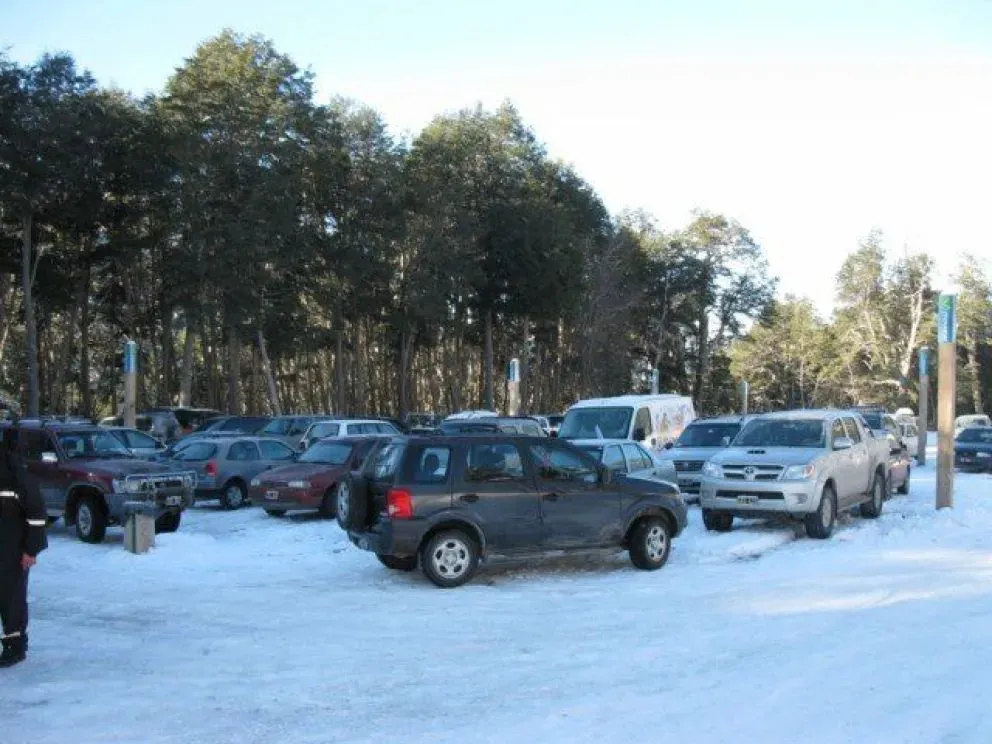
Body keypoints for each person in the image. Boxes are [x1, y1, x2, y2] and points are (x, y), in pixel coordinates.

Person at [0, 480, 47, 668]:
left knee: (11, 599)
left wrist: (31, 549)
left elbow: (37, 515)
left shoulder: (16, 476)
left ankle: (15, 646)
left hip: (12, 550)